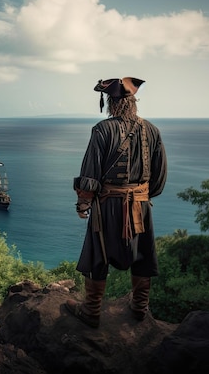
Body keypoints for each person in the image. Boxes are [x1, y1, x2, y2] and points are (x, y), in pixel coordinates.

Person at [65, 77, 167, 328]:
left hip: (108, 206)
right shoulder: (152, 130)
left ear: (111, 102)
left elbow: (91, 171)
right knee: (142, 254)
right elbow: (159, 176)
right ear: (133, 102)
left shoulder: (101, 130)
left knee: (98, 254)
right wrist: (141, 195)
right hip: (141, 205)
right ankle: (140, 308)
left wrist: (84, 203)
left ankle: (91, 311)